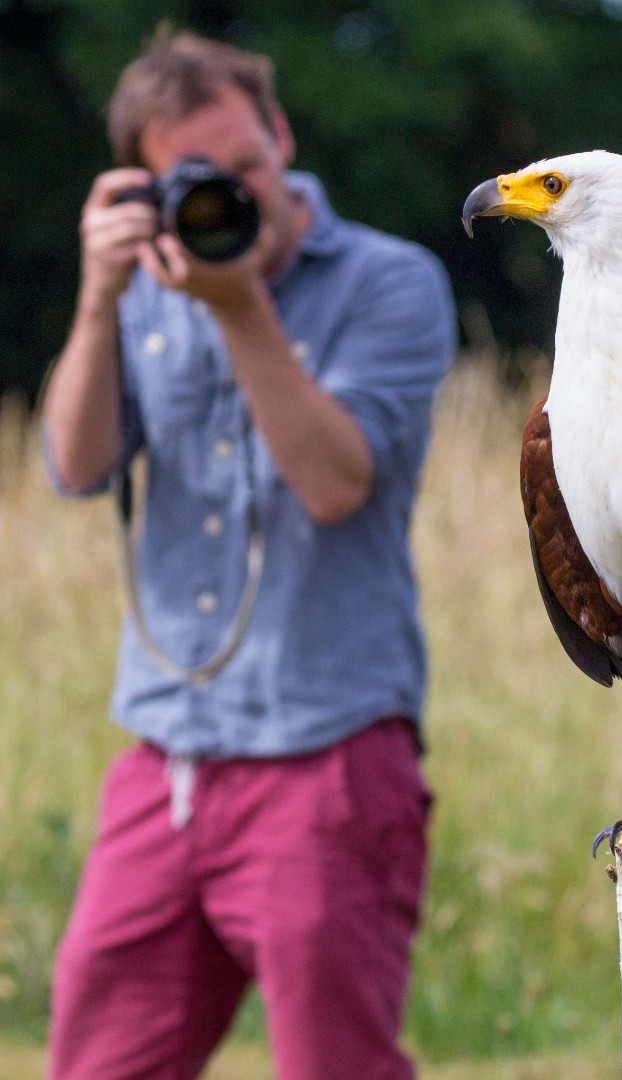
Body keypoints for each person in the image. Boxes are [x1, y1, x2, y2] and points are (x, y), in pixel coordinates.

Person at [41, 26, 456, 1080]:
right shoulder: (143, 276)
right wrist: (97, 301)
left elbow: (333, 482)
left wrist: (239, 311)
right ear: (146, 181)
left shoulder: (391, 283)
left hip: (329, 753)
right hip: (165, 751)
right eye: (201, 179)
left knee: (334, 1066)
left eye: (249, 167)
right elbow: (78, 468)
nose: (235, 198)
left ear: (283, 133)